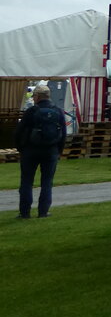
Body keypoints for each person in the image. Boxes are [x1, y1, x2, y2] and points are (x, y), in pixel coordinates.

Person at [14, 85, 67, 219]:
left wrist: (21, 148)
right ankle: (43, 211)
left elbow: (19, 131)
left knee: (27, 181)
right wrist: (59, 150)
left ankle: (25, 212)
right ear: (49, 96)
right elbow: (63, 133)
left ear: (37, 97)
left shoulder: (31, 111)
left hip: (30, 150)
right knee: (47, 182)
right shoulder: (58, 111)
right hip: (50, 150)